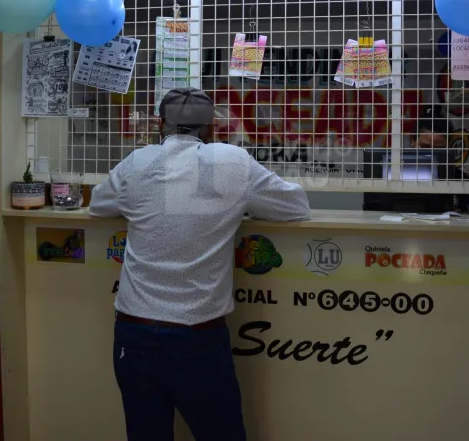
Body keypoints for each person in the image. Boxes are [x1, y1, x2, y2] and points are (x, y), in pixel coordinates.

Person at [90, 87, 310, 441]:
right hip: (198, 335)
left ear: (160, 124)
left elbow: (98, 205)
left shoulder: (137, 162)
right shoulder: (233, 162)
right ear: (210, 128)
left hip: (134, 331)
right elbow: (295, 206)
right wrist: (239, 205)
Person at [363, 108, 469, 213]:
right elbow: (372, 208)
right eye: (425, 147)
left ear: (448, 146)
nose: (431, 154)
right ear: (413, 141)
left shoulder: (460, 179)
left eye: (439, 149)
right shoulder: (389, 172)